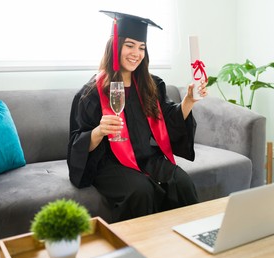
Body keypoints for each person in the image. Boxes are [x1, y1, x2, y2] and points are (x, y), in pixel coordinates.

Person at [67, 10, 208, 222]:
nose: (136, 53)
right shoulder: (92, 93)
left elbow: (170, 121)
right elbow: (77, 142)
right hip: (109, 163)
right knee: (141, 191)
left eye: (141, 47)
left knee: (182, 183)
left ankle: (187, 242)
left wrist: (188, 100)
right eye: (129, 45)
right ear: (115, 46)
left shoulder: (151, 85)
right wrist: (98, 131)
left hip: (145, 157)